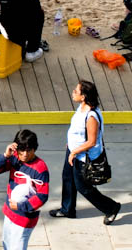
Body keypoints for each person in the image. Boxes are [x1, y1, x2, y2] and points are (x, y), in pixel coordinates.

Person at [49, 80, 122, 225]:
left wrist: (74, 151)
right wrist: (70, 145)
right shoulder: (81, 107)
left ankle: (111, 207)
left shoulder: (92, 116)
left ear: (83, 96)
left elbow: (91, 142)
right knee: (68, 178)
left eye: (76, 91)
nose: (73, 92)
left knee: (84, 187)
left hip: (83, 157)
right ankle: (67, 209)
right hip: (74, 152)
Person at [0, 129, 49, 250]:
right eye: (21, 150)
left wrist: (21, 206)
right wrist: (6, 155)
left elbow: (42, 196)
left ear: (35, 149)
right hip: (9, 213)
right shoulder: (15, 158)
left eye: (29, 151)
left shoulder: (40, 168)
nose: (25, 154)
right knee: (6, 245)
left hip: (24, 219)